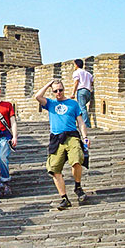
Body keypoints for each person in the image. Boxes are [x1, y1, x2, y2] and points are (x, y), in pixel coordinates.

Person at [35, 79, 90, 210]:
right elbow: (37, 96)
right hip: (56, 139)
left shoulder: (73, 104)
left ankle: (78, 187)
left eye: (60, 90)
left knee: (77, 160)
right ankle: (64, 198)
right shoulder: (50, 103)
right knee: (54, 169)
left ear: (64, 89)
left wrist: (85, 137)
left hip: (71, 135)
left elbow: (81, 122)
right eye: (55, 91)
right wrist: (48, 84)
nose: (58, 92)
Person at [70, 59, 94, 128]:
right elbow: (92, 81)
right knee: (83, 107)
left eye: (74, 64)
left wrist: (73, 93)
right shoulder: (88, 73)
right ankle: (82, 122)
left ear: (76, 65)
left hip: (81, 91)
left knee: (82, 108)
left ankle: (86, 125)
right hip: (88, 91)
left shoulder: (76, 72)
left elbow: (76, 82)